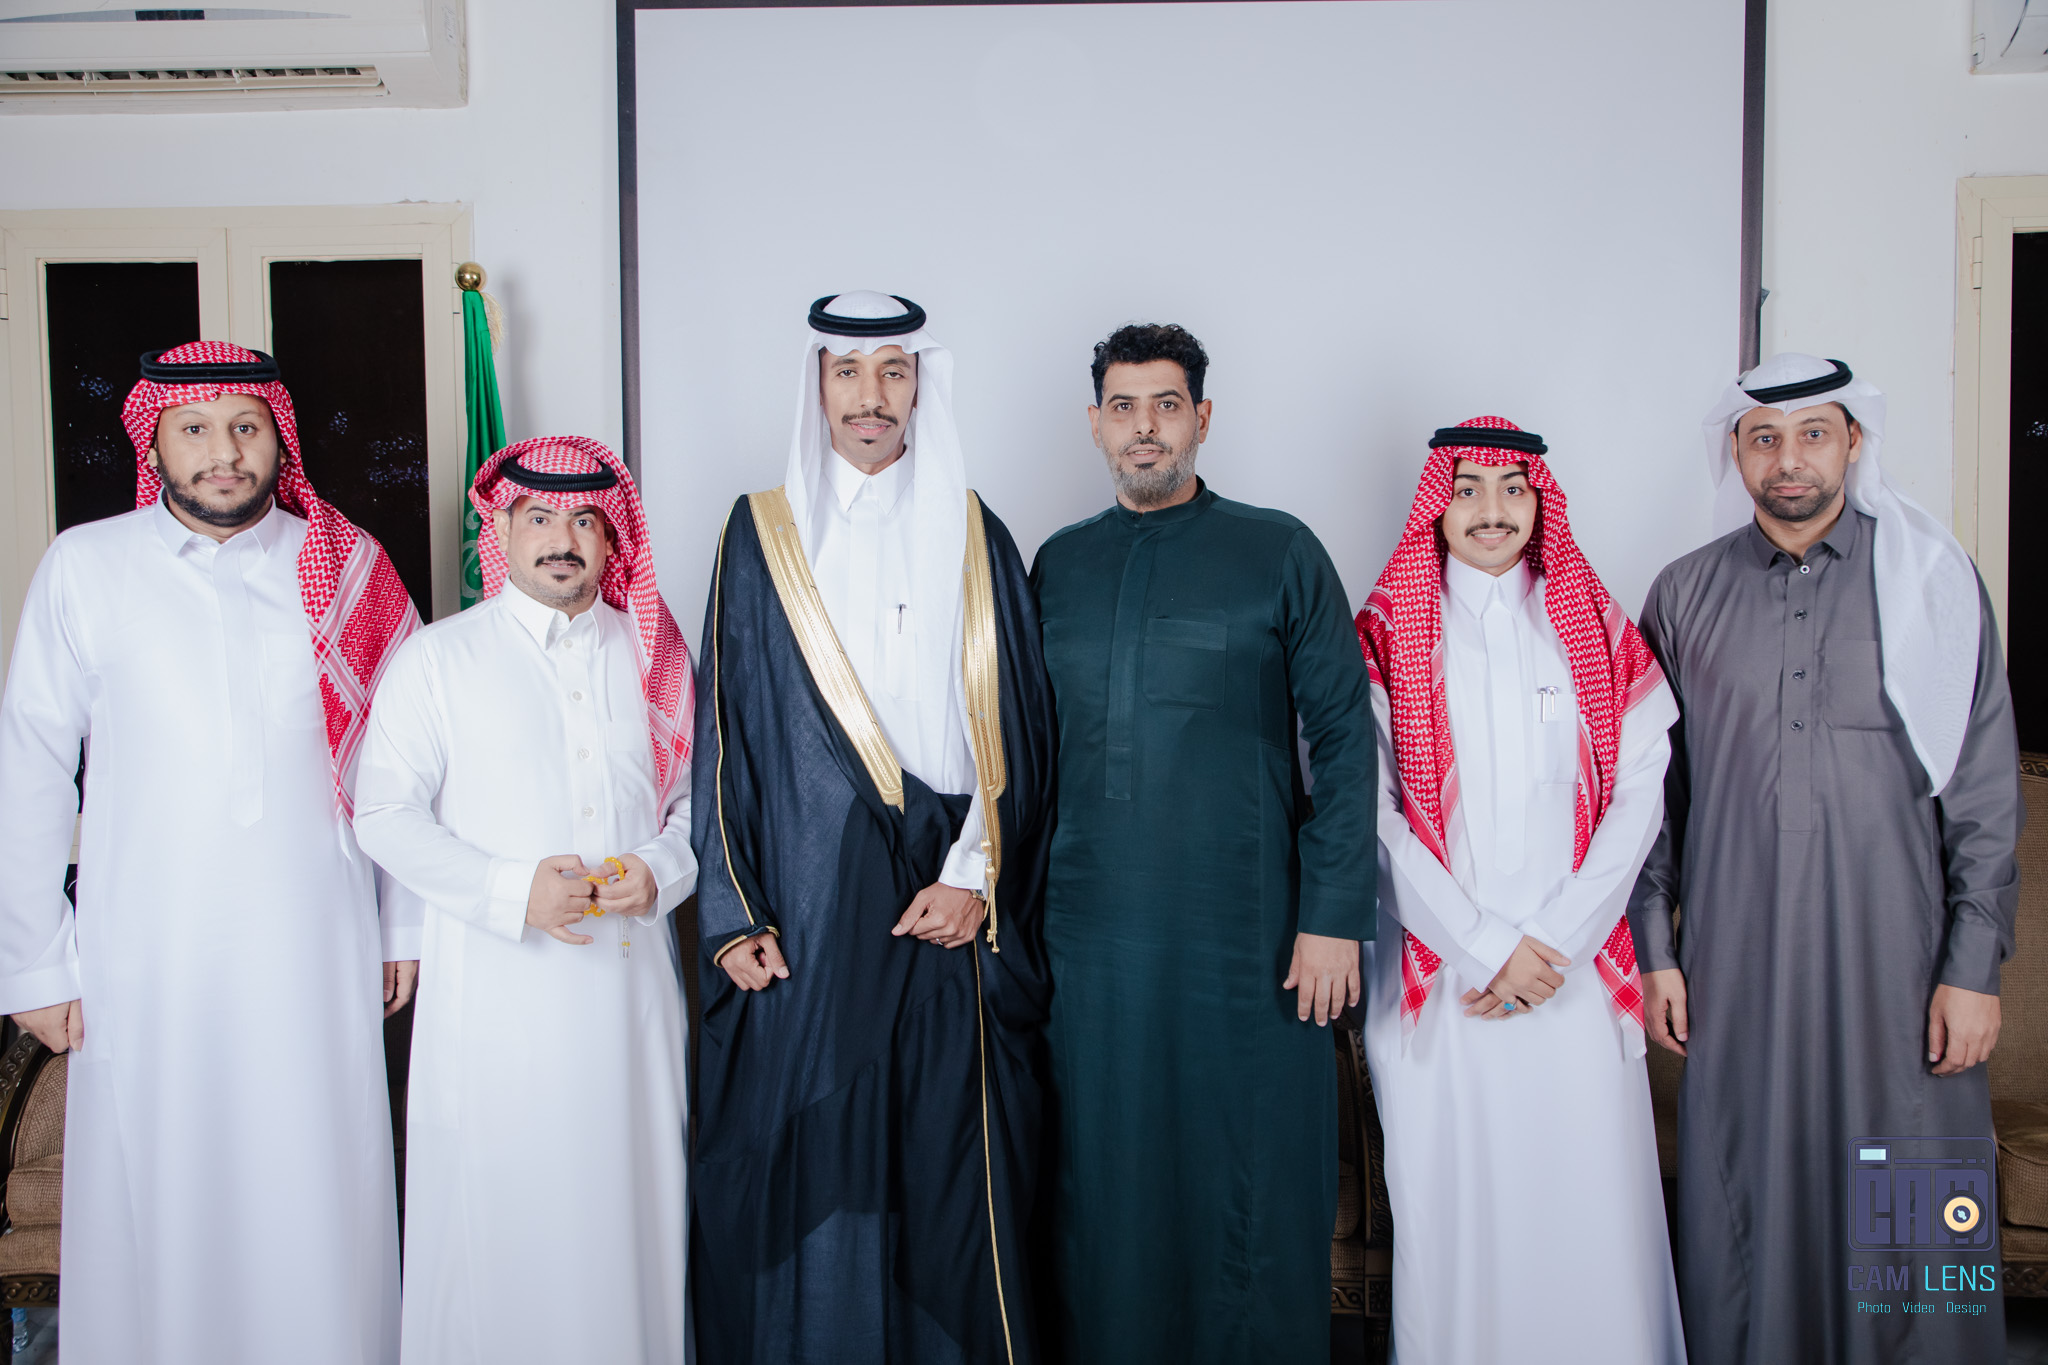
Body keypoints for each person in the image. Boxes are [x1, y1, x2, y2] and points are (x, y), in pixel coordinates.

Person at [0, 341, 420, 1364]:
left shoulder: (350, 569)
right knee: (158, 1182)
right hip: (147, 950)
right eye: (194, 429)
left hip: (316, 941)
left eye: (245, 427)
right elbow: (28, 765)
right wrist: (35, 963)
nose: (222, 452)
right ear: (155, 443)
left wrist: (402, 924)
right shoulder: (87, 565)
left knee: (314, 1177)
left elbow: (413, 769)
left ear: (280, 438)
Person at [1629, 354, 2021, 1363]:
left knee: (1913, 1193)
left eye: (1813, 434)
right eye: (1764, 438)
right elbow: (1649, 799)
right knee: (1748, 1190)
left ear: (1853, 442)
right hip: (1737, 965)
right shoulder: (1683, 595)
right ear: (1736, 453)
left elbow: (1981, 788)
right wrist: (1654, 952)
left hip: (1901, 968)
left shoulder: (1930, 580)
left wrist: (1972, 970)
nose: (1788, 459)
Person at [690, 292, 1055, 1364]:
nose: (870, 396)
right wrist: (733, 912)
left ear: (920, 386)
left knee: (949, 1163)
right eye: (847, 372)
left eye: (893, 371)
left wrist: (975, 875)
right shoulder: (759, 533)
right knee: (815, 1161)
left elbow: (1023, 726)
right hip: (807, 911)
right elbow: (724, 729)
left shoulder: (978, 533)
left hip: (948, 902)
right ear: (816, 386)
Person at [1030, 323, 1376, 1363]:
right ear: (1095, 424)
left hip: (1251, 947)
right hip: (1090, 949)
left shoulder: (1279, 551)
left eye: (1167, 405)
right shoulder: (1056, 564)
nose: (1146, 427)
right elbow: (1018, 753)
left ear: (1203, 419)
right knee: (1106, 1184)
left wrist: (1331, 918)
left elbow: (1344, 738)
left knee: (1251, 1185)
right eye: (1124, 407)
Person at [352, 436, 694, 1365]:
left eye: (584, 520)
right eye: (539, 518)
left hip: (630, 1001)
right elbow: (382, 814)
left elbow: (696, 805)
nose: (562, 539)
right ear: (500, 532)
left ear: (613, 537)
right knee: (503, 1228)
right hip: (496, 1005)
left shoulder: (654, 652)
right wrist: (514, 891)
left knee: (629, 1220)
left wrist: (660, 868)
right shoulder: (438, 659)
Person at [1357, 417, 1684, 1363]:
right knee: (1453, 1218)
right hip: (1440, 985)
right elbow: (1367, 811)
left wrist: (1557, 939)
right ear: (1437, 505)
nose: (1490, 510)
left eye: (1512, 488)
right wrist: (1486, 947)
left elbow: (1642, 789)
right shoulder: (1385, 632)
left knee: (1589, 1204)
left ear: (1542, 503)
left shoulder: (1593, 629)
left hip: (1576, 976)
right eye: (1467, 489)